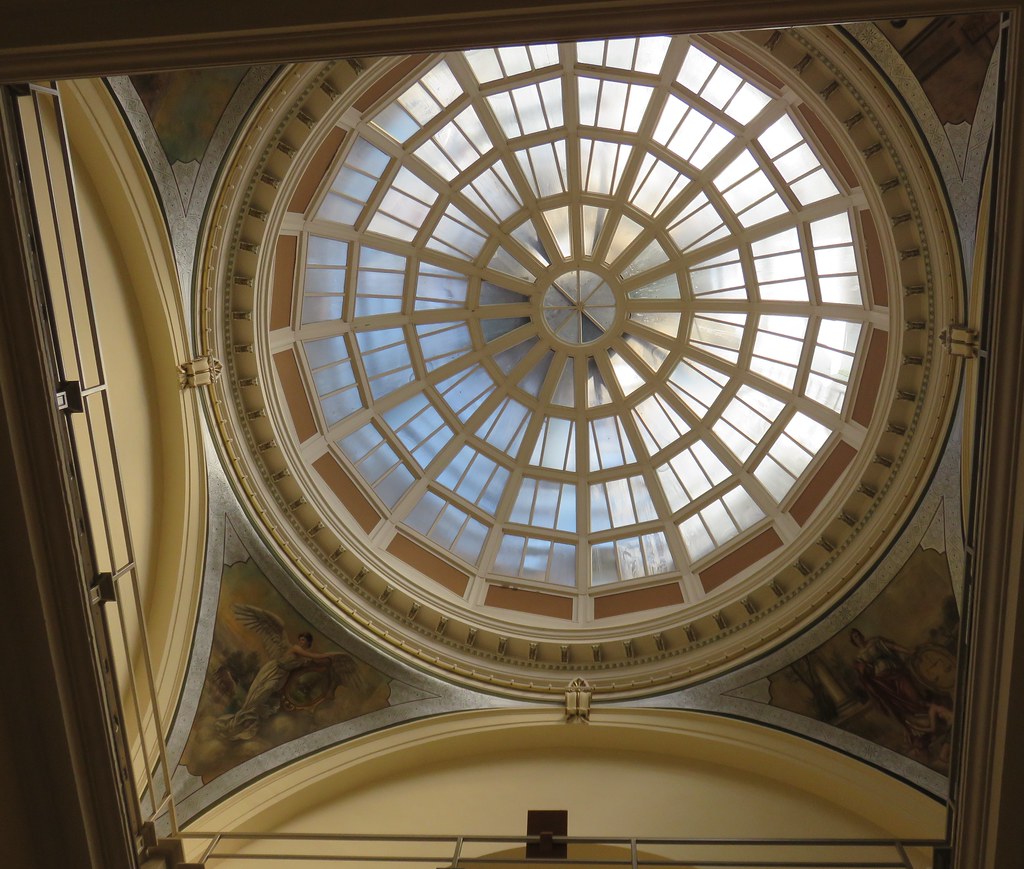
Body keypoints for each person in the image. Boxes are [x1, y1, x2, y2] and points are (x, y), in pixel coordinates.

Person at [849, 628, 952, 750]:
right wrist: (862, 670)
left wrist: (908, 651)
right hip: (883, 683)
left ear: (862, 634)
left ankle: (939, 718)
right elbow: (865, 677)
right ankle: (928, 731)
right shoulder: (859, 658)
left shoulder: (875, 642)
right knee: (902, 706)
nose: (858, 638)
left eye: (858, 635)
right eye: (855, 637)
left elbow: (892, 646)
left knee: (914, 697)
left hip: (896, 672)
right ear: (854, 642)